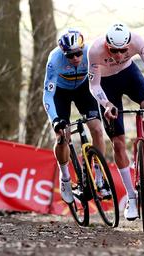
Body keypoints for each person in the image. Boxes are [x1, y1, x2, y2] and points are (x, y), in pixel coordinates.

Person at [87, 22, 144, 220]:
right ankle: (131, 197)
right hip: (106, 86)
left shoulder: (137, 41)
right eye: (114, 51)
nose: (118, 55)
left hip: (129, 75)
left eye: (123, 50)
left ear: (129, 44)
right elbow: (94, 85)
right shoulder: (94, 50)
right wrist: (106, 104)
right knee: (118, 143)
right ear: (107, 45)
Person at [43, 28, 109, 204]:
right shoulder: (55, 60)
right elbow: (48, 94)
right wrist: (55, 119)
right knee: (62, 136)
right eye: (70, 56)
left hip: (83, 89)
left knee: (96, 129)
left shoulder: (90, 53)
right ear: (63, 53)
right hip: (61, 94)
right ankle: (65, 178)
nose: (75, 58)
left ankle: (99, 178)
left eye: (78, 53)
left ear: (83, 48)